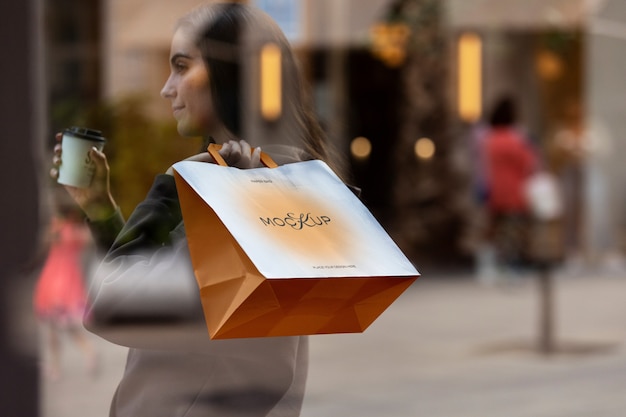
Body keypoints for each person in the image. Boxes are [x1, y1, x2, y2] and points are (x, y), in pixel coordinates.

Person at [50, 3, 344, 416]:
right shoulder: (284, 182)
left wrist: (169, 189)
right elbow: (139, 285)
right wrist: (101, 206)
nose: (167, 88)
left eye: (183, 66)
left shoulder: (245, 191)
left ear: (232, 73)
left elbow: (112, 308)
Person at [33, 196, 98, 381]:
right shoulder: (72, 228)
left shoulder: (62, 227)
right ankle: (83, 354)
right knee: (62, 326)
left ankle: (58, 365)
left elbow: (46, 244)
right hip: (64, 277)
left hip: (58, 278)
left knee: (58, 326)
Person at [482, 96, 538, 280]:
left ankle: (491, 265)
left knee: (495, 228)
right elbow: (530, 162)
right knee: (514, 230)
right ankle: (511, 264)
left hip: (494, 187)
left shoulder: (488, 138)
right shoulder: (516, 138)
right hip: (515, 188)